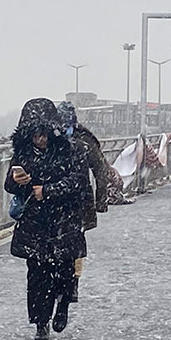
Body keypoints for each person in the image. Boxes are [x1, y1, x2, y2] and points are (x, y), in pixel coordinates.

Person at [5, 98, 88, 340]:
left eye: (43, 134)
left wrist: (48, 191)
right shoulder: (23, 153)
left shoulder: (70, 151)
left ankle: (62, 305)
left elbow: (78, 183)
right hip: (36, 224)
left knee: (63, 271)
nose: (39, 140)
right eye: (34, 135)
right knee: (37, 276)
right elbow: (8, 185)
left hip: (63, 221)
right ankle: (41, 324)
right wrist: (17, 182)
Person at [58, 101, 109, 304]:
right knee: (68, 244)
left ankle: (72, 283)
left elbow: (100, 169)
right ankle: (66, 283)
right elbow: (100, 170)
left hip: (79, 202)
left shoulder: (84, 140)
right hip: (62, 201)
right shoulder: (60, 139)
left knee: (75, 243)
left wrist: (101, 200)